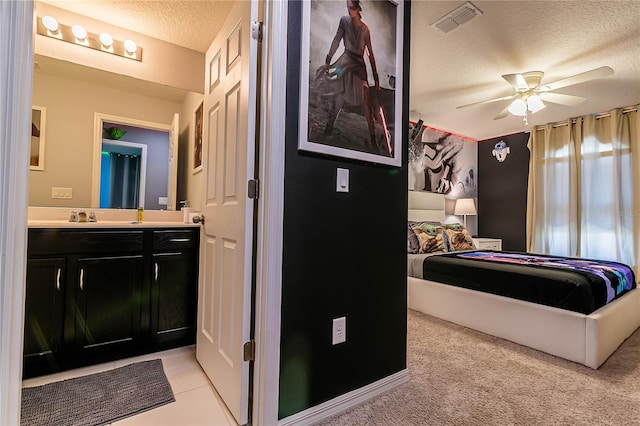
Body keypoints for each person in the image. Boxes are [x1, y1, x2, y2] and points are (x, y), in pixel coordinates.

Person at [319, 0, 380, 148]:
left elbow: (370, 54)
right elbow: (337, 39)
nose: (348, 10)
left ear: (358, 8)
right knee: (338, 91)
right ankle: (328, 129)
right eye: (348, 7)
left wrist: (376, 77)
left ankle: (373, 139)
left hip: (358, 67)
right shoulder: (344, 20)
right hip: (343, 63)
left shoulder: (365, 30)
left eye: (351, 7)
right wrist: (328, 59)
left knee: (366, 102)